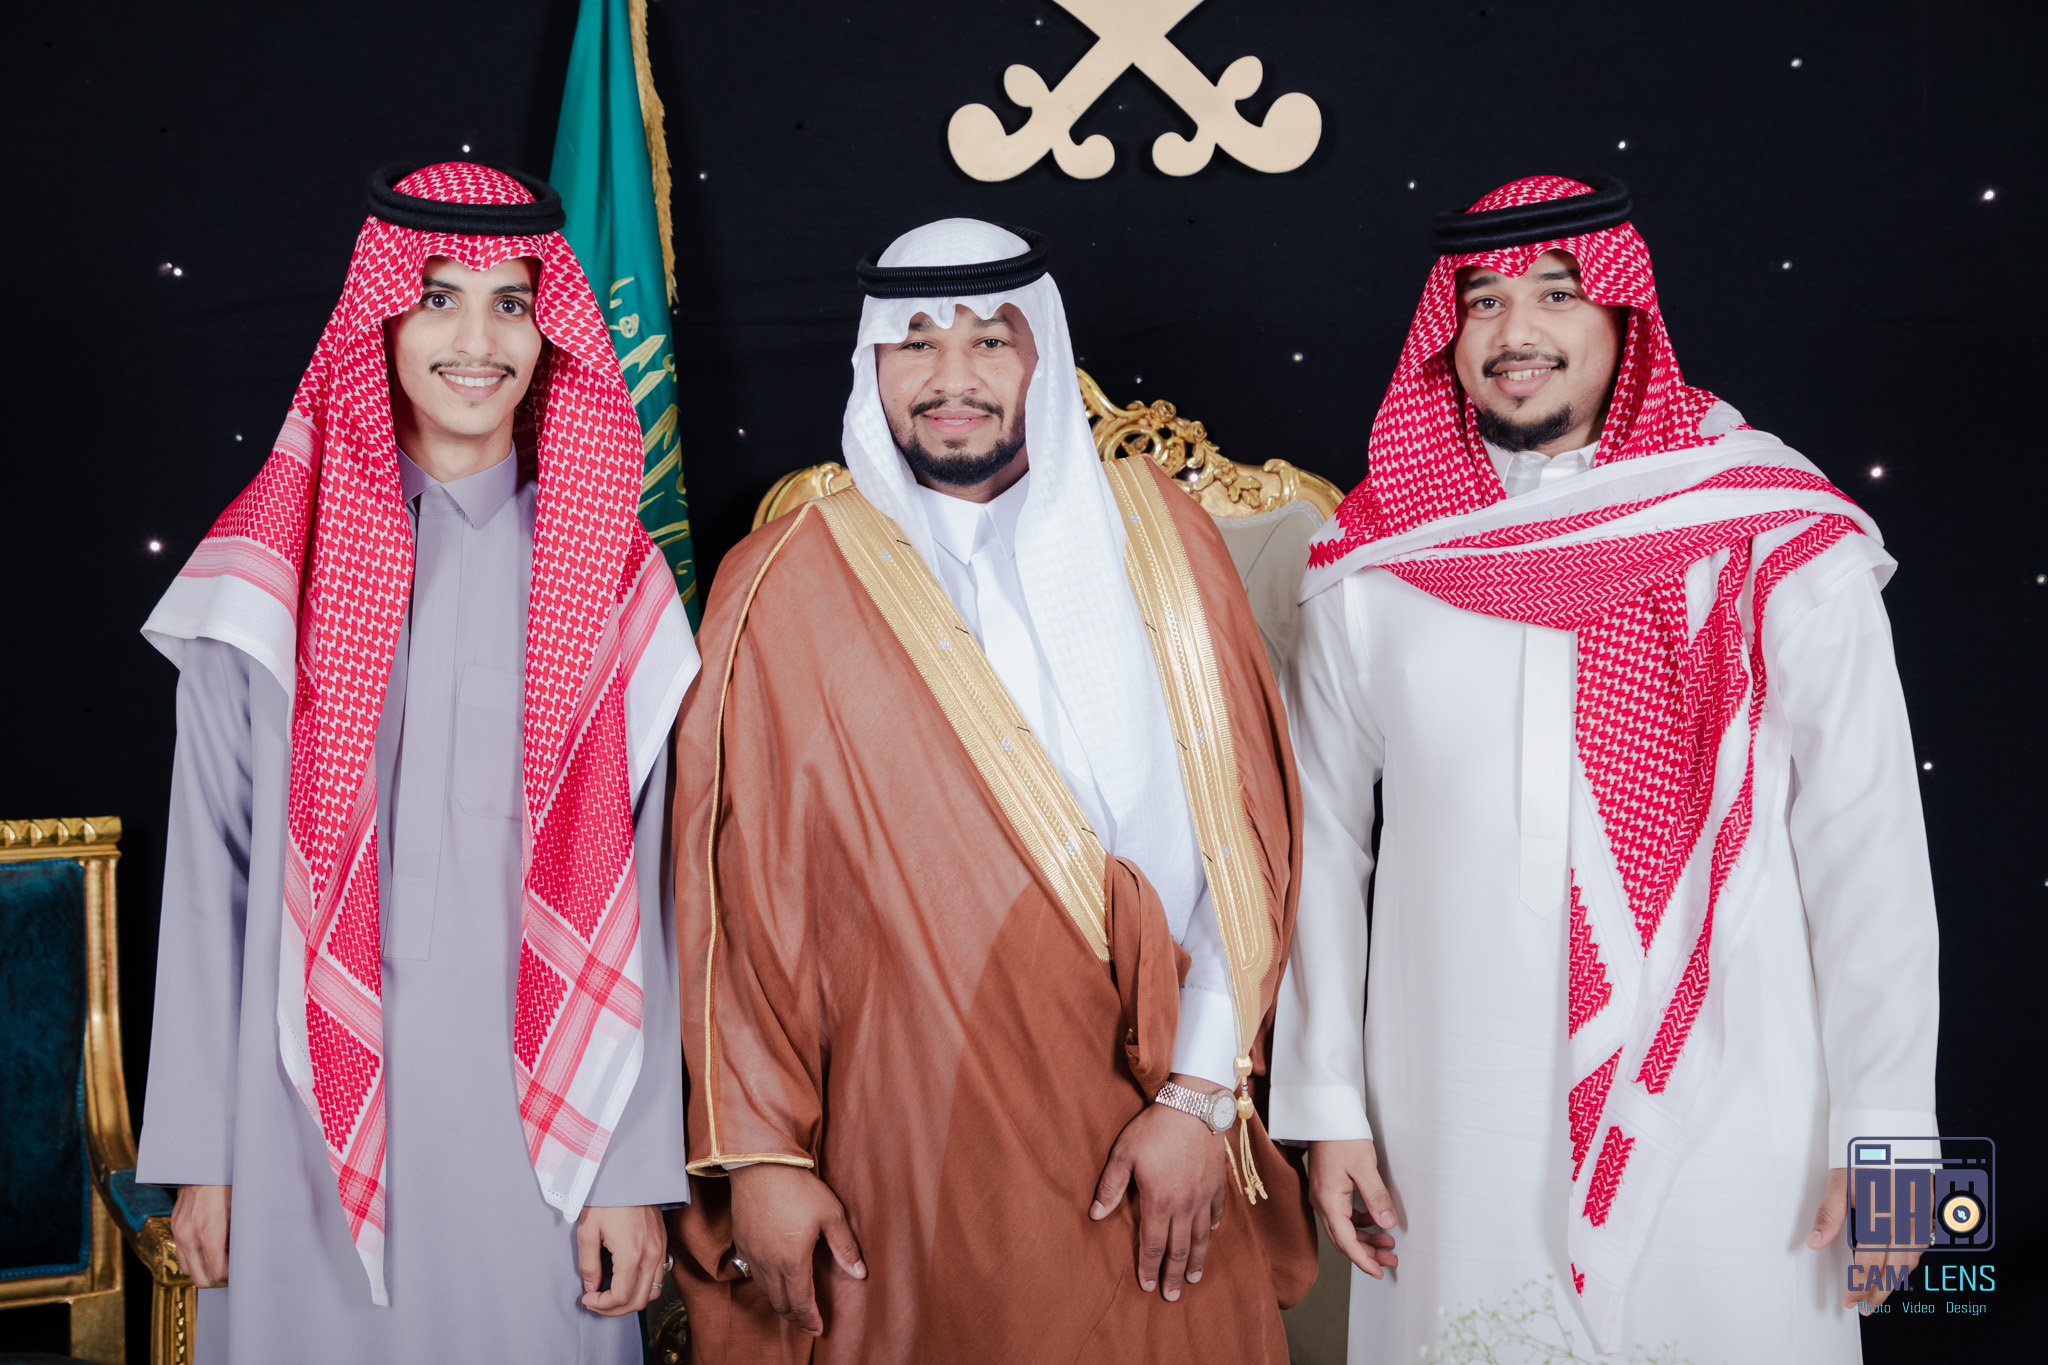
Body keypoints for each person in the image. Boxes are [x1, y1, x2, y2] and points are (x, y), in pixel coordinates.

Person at [1267, 175, 1940, 1362]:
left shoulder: (1770, 532)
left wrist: (1888, 1133)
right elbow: (1318, 842)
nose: (1513, 331)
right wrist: (1326, 1110)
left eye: (1555, 294)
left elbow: (1865, 839)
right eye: (1481, 301)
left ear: (1625, 317)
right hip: (1449, 1115)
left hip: (1741, 1103)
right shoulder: (1372, 562)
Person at [668, 219, 1317, 1362]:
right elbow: (736, 894)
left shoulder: (1159, 539)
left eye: (988, 339)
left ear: (1040, 355)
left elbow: (1247, 837)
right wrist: (763, 1158)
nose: (951, 377)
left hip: (1158, 1127)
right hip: (908, 1140)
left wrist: (1198, 1099)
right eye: (915, 341)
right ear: (872, 363)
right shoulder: (785, 580)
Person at [135, 162, 701, 1362]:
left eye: (512, 304)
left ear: (551, 333)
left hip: (544, 1128)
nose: (476, 342)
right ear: (380, 320)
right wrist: (199, 1154)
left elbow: (657, 894)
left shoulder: (612, 582)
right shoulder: (269, 571)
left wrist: (632, 1168)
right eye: (438, 297)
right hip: (287, 1122)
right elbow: (207, 876)